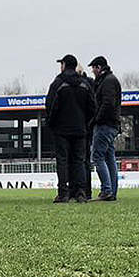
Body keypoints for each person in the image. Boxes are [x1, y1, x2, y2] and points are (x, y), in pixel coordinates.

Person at [45, 54, 94, 203]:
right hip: (80, 129)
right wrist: (85, 123)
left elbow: (50, 106)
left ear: (64, 65)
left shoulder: (58, 83)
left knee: (62, 161)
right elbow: (93, 107)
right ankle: (80, 192)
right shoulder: (85, 84)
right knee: (79, 161)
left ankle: (63, 193)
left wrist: (52, 123)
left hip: (61, 130)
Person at [88, 55, 122, 201]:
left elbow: (107, 103)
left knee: (97, 156)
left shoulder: (107, 81)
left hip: (105, 125)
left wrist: (96, 119)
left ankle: (106, 189)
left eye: (93, 69)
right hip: (111, 124)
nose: (92, 72)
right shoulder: (110, 79)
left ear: (98, 67)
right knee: (109, 157)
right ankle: (112, 191)